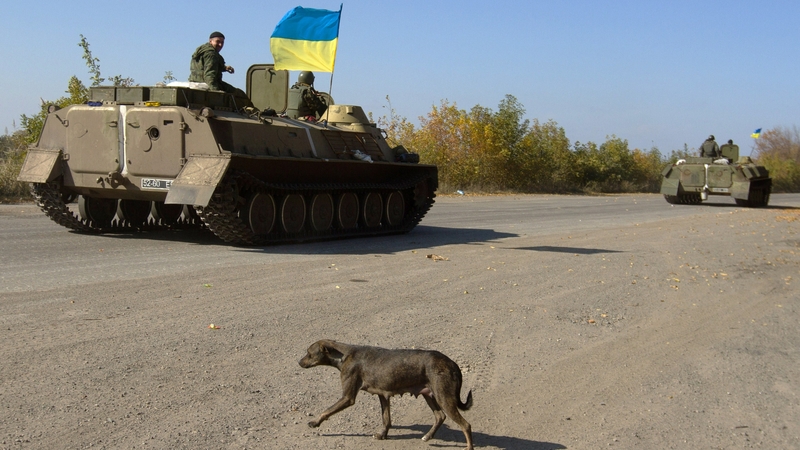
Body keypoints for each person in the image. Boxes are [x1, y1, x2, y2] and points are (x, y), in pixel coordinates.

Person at [189, 32, 252, 108]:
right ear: (210, 41)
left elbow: (206, 66)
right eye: (218, 42)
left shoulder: (202, 50)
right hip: (210, 82)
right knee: (240, 95)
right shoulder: (211, 54)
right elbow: (209, 75)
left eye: (222, 42)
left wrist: (225, 68)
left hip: (195, 80)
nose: (220, 45)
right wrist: (216, 93)